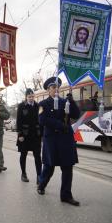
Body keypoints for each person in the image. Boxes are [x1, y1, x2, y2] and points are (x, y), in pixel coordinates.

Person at [37, 77, 81, 206]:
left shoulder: (64, 102)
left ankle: (66, 195)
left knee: (67, 167)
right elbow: (42, 120)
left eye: (57, 87)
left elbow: (75, 115)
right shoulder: (43, 104)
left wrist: (71, 102)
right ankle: (42, 184)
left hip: (66, 139)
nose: (56, 89)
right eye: (53, 87)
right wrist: (60, 125)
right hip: (52, 139)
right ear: (48, 90)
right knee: (49, 167)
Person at [16, 88, 42, 183]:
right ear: (26, 97)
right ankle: (23, 173)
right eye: (29, 97)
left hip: (36, 135)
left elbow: (41, 120)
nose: (31, 98)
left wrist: (41, 134)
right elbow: (19, 121)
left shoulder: (38, 106)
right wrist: (20, 134)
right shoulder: (21, 106)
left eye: (32, 96)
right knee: (23, 154)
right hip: (24, 135)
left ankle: (39, 176)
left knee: (38, 156)